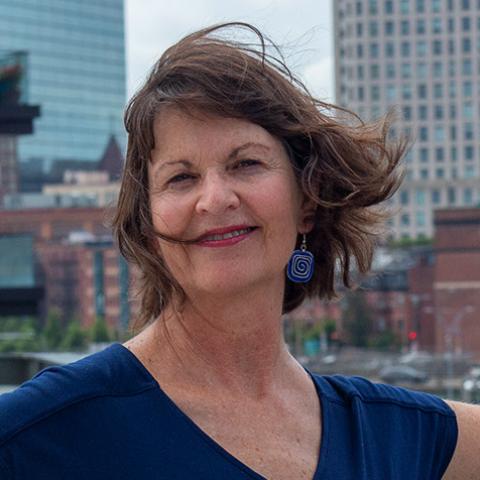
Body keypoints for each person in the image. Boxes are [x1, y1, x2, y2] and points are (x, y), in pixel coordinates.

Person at [0, 22, 478, 479]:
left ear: (307, 202)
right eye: (181, 178)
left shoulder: (391, 436)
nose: (215, 199)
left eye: (246, 163)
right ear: (148, 226)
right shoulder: (39, 434)